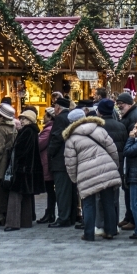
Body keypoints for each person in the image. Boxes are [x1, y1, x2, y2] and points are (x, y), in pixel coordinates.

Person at [63, 109, 121, 242]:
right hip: (106, 168)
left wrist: (74, 178)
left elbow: (70, 162)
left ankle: (89, 234)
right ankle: (110, 231)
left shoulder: (71, 138)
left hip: (85, 174)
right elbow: (113, 150)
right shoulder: (99, 129)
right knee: (108, 202)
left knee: (88, 204)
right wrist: (114, 166)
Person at [4, 110, 45, 231]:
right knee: (26, 195)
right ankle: (25, 221)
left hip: (22, 169)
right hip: (29, 168)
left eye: (24, 119)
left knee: (15, 195)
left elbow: (21, 151)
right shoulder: (32, 131)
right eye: (21, 118)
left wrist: (11, 152)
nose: (21, 120)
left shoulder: (27, 132)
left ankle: (13, 223)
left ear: (30, 120)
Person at [115, 91, 137, 230]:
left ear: (128, 104)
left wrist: (129, 139)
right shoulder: (131, 114)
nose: (119, 106)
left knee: (134, 196)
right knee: (129, 192)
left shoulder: (135, 116)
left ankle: (135, 221)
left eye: (121, 104)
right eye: (118, 104)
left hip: (135, 162)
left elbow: (133, 140)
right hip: (132, 162)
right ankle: (129, 217)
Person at [96, 99, 127, 237]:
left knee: (99, 197)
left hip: (101, 166)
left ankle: (101, 225)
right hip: (116, 167)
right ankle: (113, 224)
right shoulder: (121, 126)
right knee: (114, 197)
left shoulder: (98, 127)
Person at [48, 98, 77, 228]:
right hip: (70, 158)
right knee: (70, 190)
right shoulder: (70, 117)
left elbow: (56, 138)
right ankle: (71, 216)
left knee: (62, 190)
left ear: (58, 107)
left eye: (54, 106)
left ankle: (63, 217)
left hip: (61, 159)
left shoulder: (60, 119)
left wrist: (50, 153)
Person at [37, 107, 56, 224]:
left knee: (50, 189)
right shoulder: (49, 129)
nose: (43, 117)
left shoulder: (48, 130)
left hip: (46, 162)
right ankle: (50, 212)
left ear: (49, 117)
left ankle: (50, 213)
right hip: (47, 161)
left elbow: (39, 144)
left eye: (45, 115)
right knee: (50, 190)